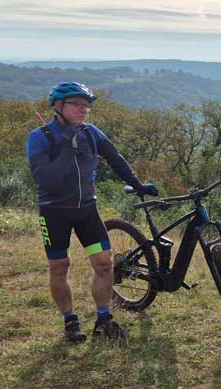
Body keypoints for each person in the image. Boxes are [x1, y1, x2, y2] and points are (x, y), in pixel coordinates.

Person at [27, 82, 158, 342]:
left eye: (86, 105)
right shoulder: (41, 137)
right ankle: (70, 320)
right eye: (77, 104)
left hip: (87, 209)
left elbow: (116, 158)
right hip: (54, 212)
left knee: (104, 264)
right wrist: (65, 150)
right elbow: (42, 177)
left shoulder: (91, 133)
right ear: (58, 106)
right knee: (59, 266)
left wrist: (137, 184)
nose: (84, 110)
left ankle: (103, 318)